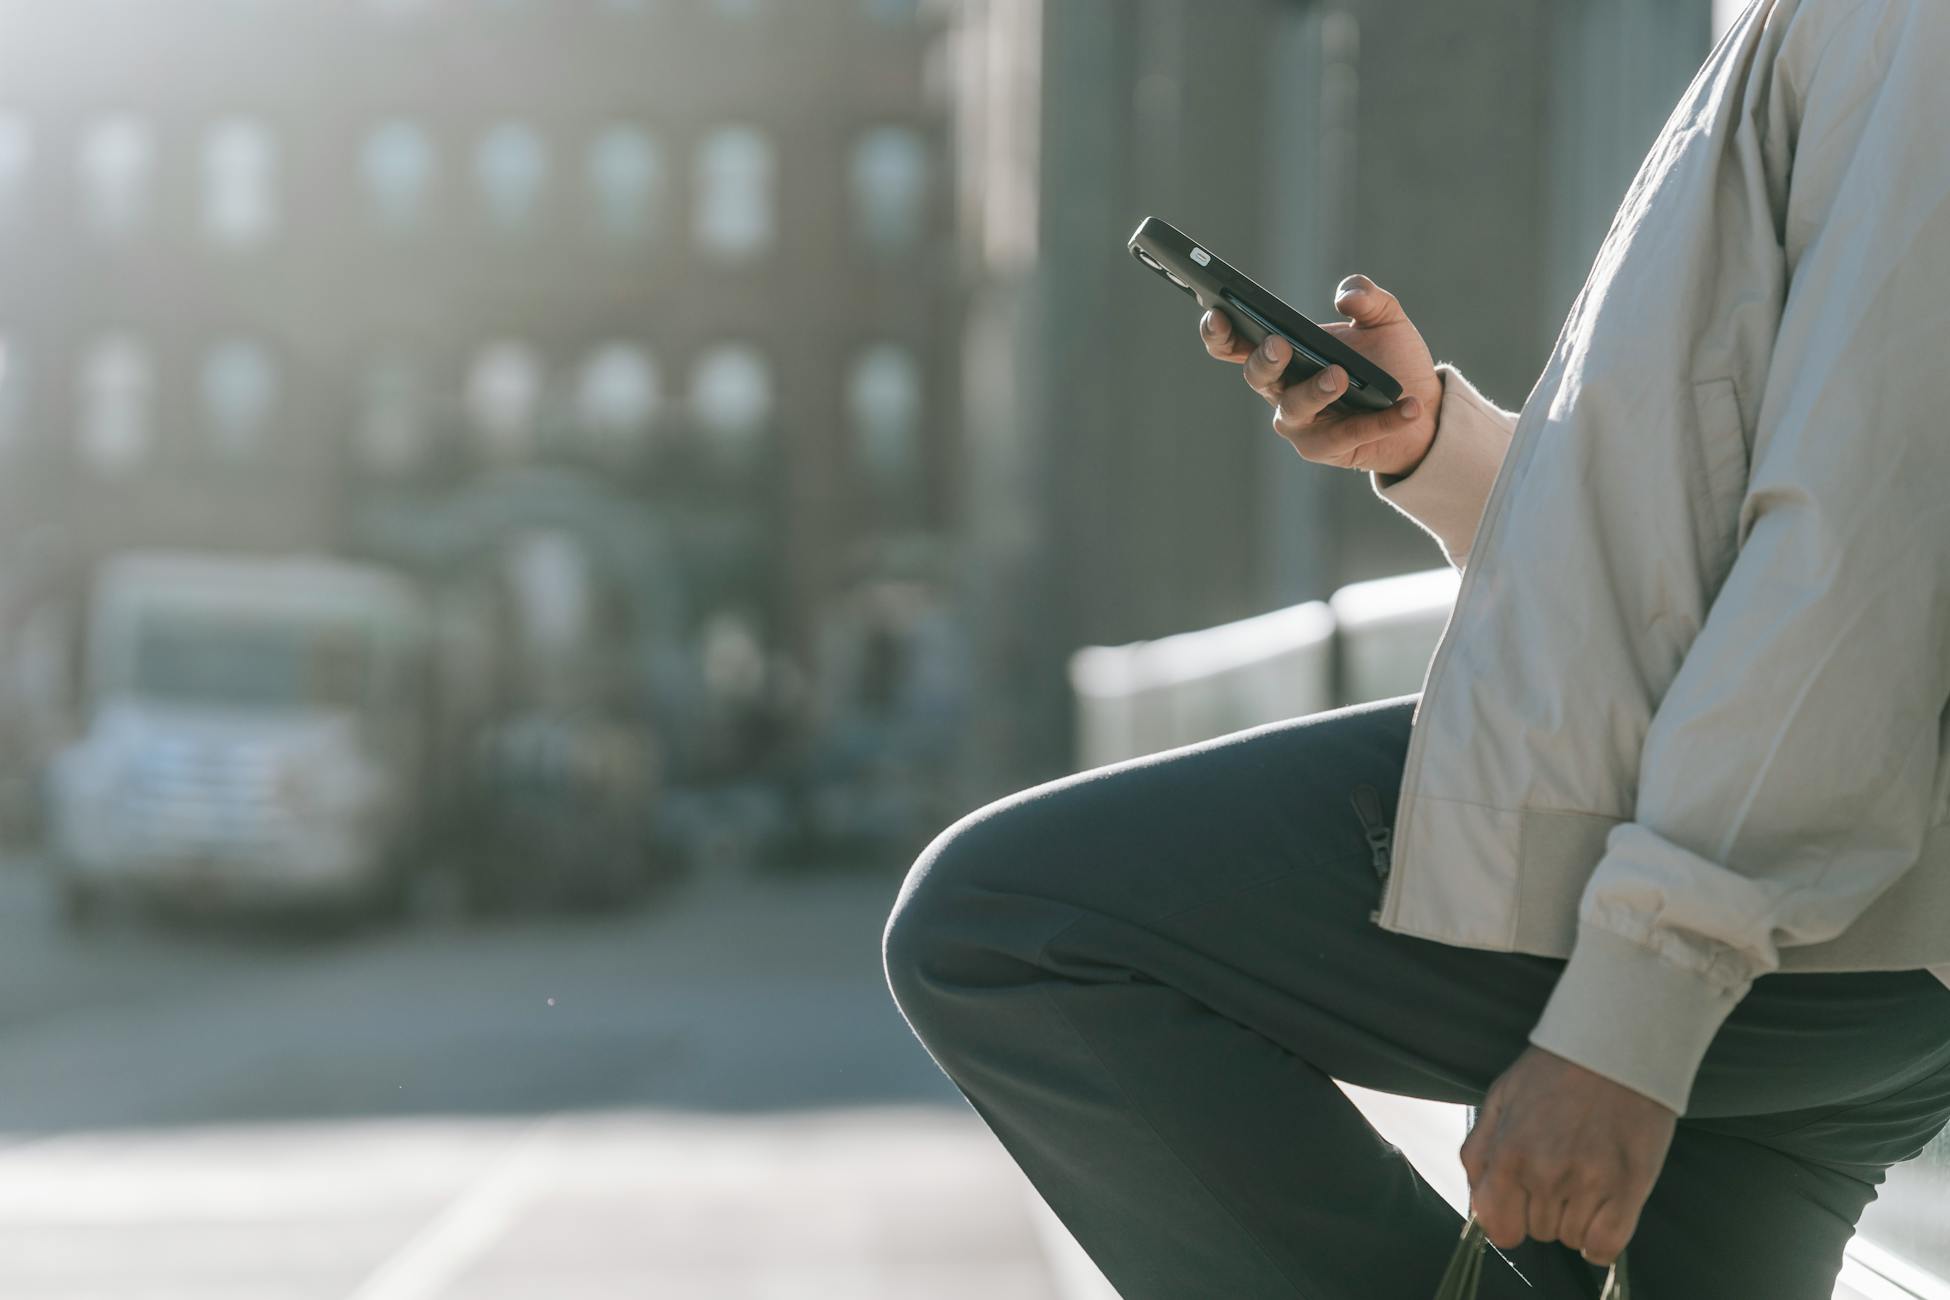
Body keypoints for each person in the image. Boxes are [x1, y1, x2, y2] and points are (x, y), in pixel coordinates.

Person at [883, 0, 1950, 1295]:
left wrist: (1631, 1013)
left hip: (1786, 910)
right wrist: (1438, 448)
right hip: (1840, 934)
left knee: (1008, 929)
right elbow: (1734, 523)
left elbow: (1863, 558)